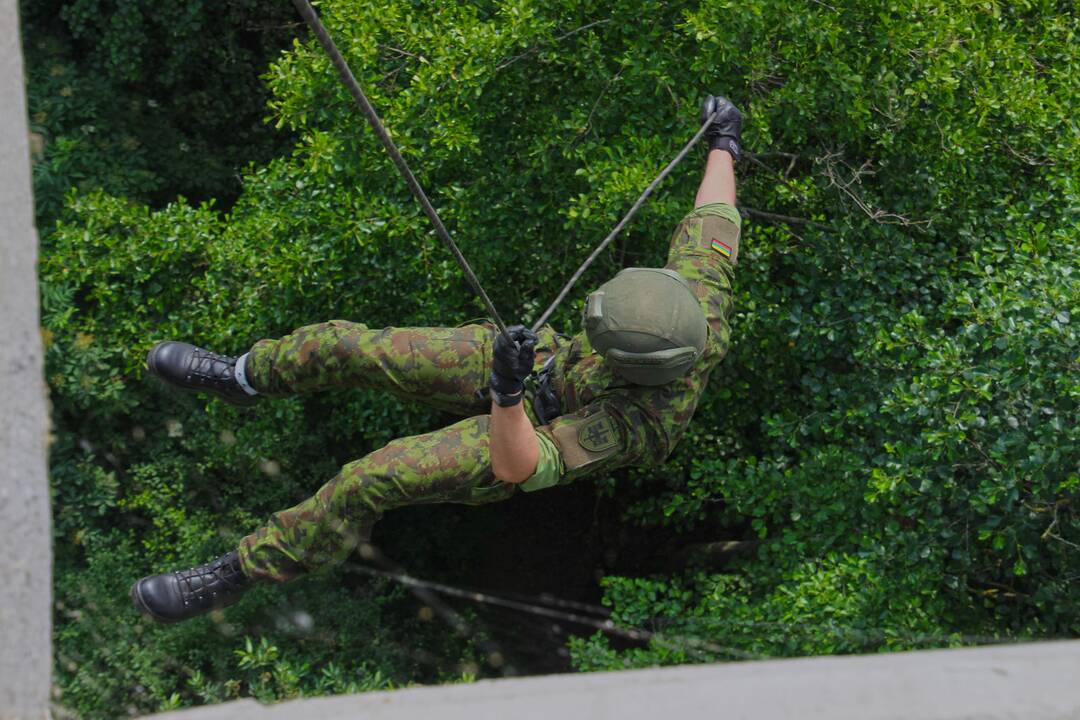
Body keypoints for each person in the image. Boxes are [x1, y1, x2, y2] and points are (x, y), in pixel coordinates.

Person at [130, 95, 744, 624]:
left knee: (370, 478)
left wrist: (507, 393)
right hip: (543, 364)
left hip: (523, 431)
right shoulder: (694, 294)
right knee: (352, 346)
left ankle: (239, 572)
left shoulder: (641, 423)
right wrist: (725, 139)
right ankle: (243, 376)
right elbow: (715, 216)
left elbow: (521, 465)